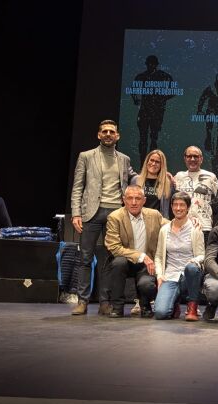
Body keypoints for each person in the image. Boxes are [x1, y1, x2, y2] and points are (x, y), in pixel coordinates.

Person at [70, 119, 136, 316]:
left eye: (112, 132)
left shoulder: (124, 159)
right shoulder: (86, 156)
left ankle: (105, 302)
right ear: (99, 135)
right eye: (104, 131)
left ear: (117, 136)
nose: (108, 134)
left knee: (111, 259)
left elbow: (133, 177)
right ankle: (82, 301)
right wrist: (76, 213)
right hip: (91, 212)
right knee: (85, 258)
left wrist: (159, 176)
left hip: (116, 213)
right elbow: (78, 186)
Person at [103, 185, 167, 318]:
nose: (133, 202)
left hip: (146, 264)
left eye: (137, 198)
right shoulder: (115, 217)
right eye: (130, 198)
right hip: (125, 262)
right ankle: (117, 306)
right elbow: (114, 247)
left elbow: (172, 225)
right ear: (123, 200)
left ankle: (145, 305)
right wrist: (141, 256)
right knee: (118, 263)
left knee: (146, 284)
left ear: (144, 200)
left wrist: (190, 221)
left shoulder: (154, 215)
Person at [153, 192, 205, 321]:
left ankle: (192, 306)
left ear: (188, 208)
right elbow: (159, 256)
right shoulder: (164, 230)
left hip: (188, 276)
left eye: (182, 205)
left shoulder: (195, 228)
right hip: (170, 275)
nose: (178, 208)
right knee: (160, 313)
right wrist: (159, 275)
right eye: (175, 204)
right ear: (171, 207)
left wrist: (194, 261)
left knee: (192, 268)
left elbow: (201, 255)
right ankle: (174, 301)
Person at [132, 55, 174, 167]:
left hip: (157, 112)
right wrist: (136, 99)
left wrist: (163, 98)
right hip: (145, 110)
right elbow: (133, 90)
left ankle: (151, 165)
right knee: (143, 138)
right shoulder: (142, 76)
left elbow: (173, 90)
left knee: (153, 138)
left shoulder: (164, 76)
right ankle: (142, 165)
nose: (151, 66)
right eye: (149, 64)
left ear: (156, 64)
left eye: (152, 64)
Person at [174, 146, 218, 243]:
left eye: (196, 156)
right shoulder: (179, 176)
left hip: (204, 226)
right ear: (185, 158)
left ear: (201, 159)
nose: (192, 159)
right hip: (182, 226)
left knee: (203, 257)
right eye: (189, 156)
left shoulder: (211, 176)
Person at [132, 149, 175, 219]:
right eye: (151, 160)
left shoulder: (168, 183)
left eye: (157, 162)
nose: (153, 163)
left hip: (158, 222)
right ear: (147, 161)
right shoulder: (135, 180)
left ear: (162, 165)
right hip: (138, 221)